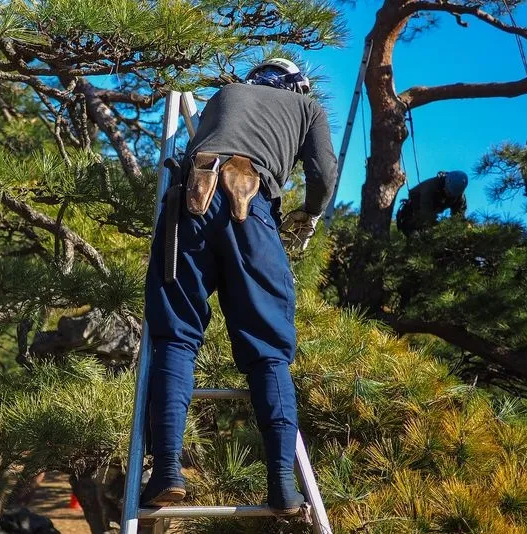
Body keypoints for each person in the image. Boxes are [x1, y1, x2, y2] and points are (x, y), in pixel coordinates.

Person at [141, 58, 337, 514]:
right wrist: (308, 216)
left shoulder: (224, 96)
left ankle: (167, 471)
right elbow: (324, 176)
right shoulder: (308, 109)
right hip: (254, 211)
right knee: (268, 349)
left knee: (176, 337)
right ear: (299, 86)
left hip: (190, 204)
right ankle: (283, 485)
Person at [395, 171, 468, 236]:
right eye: (447, 190)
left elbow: (459, 217)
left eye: (450, 194)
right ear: (446, 181)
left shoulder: (459, 197)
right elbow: (426, 212)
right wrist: (438, 229)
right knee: (420, 232)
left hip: (429, 216)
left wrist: (458, 229)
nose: (447, 193)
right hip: (412, 214)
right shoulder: (430, 187)